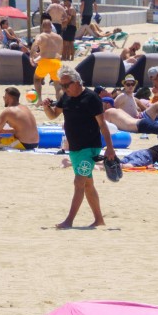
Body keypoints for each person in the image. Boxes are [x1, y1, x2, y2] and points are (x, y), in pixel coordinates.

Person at [41, 68, 116, 228]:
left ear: (76, 82)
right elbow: (54, 115)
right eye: (62, 85)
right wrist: (47, 107)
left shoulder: (91, 98)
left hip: (89, 148)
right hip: (75, 149)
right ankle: (99, 220)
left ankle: (69, 220)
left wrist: (110, 148)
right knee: (88, 184)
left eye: (66, 85)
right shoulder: (66, 97)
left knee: (79, 183)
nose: (64, 88)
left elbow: (102, 124)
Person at [31, 17, 64, 105]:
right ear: (51, 26)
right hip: (56, 62)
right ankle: (60, 103)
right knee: (58, 85)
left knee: (37, 79)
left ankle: (40, 100)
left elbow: (35, 45)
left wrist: (32, 55)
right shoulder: (59, 37)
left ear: (42, 27)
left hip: (45, 61)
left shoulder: (41, 36)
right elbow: (60, 53)